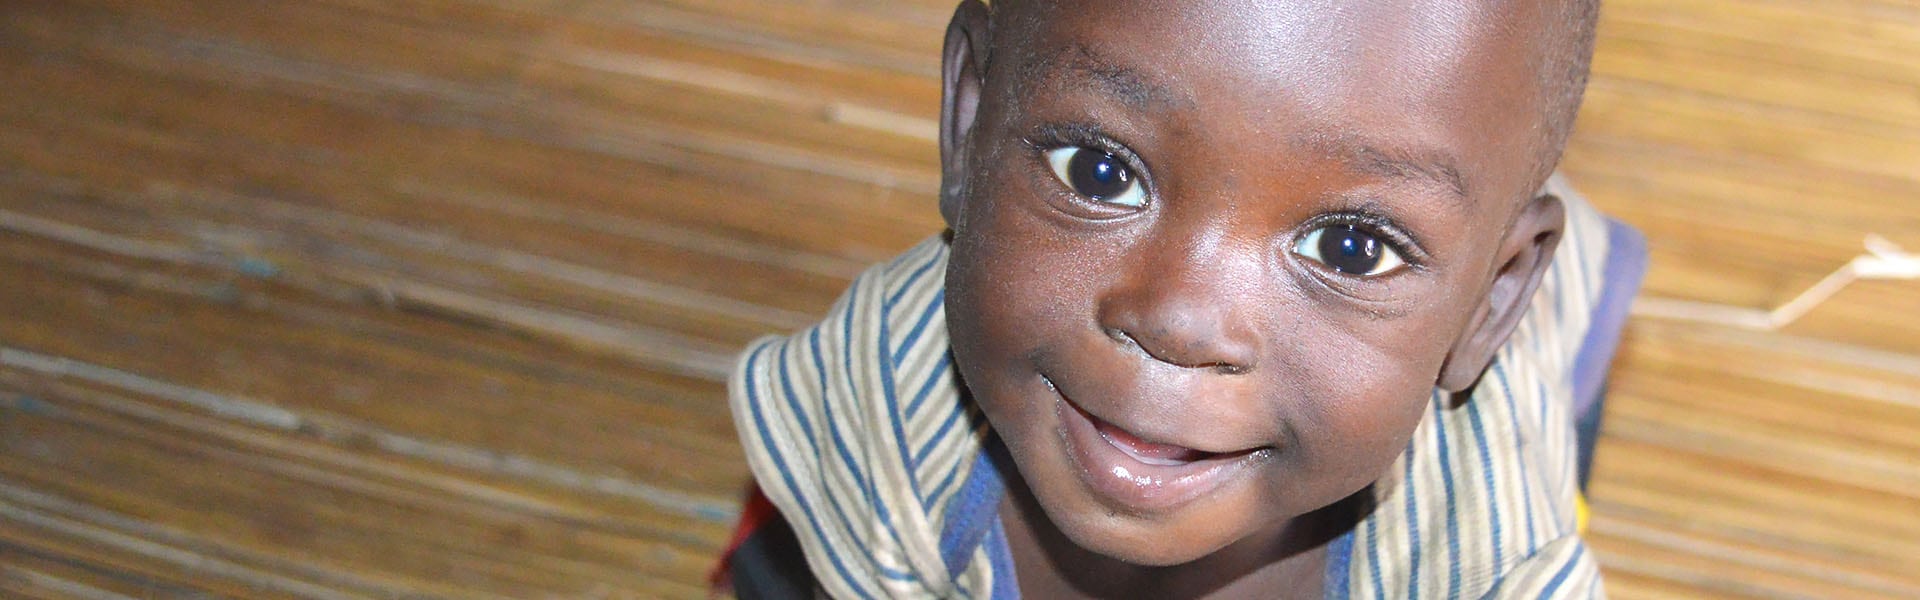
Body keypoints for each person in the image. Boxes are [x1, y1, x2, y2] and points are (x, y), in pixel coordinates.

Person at [724, 0, 1630, 596]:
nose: (1179, 320)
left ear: (1491, 300)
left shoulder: (1490, 562)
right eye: (1099, 170)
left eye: (1351, 249)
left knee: (1566, 359)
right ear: (971, 121)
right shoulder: (883, 393)